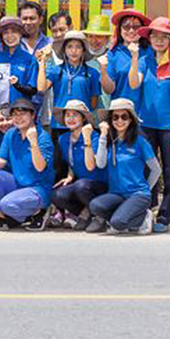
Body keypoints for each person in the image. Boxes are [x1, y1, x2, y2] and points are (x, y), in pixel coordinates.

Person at [129, 17, 170, 233]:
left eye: (165, 36)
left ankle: (165, 215)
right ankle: (147, 209)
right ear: (150, 38)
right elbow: (134, 83)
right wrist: (135, 58)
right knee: (146, 169)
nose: (160, 40)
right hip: (146, 125)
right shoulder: (145, 60)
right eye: (155, 36)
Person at [89, 98, 161, 235]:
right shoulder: (109, 141)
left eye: (124, 117)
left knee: (117, 223)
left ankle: (144, 216)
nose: (119, 121)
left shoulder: (140, 142)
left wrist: (145, 189)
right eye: (115, 117)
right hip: (117, 194)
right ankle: (128, 217)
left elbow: (156, 170)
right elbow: (100, 164)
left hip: (138, 194)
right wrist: (103, 136)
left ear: (131, 120)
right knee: (95, 206)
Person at [37, 30, 100, 183]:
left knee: (82, 163)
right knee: (59, 164)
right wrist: (42, 63)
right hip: (59, 124)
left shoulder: (91, 72)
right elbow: (41, 88)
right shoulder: (56, 70)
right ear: (64, 50)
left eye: (78, 47)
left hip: (83, 126)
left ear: (84, 50)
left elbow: (93, 101)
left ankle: (79, 201)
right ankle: (58, 201)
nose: (74, 50)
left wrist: (82, 116)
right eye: (70, 47)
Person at [0, 98, 54, 231]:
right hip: (18, 184)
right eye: (15, 114)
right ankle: (1, 218)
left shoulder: (42, 137)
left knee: (7, 204)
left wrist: (33, 142)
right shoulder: (11, 134)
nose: (18, 118)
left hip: (38, 188)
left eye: (22, 114)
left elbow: (40, 167)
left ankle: (40, 212)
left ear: (33, 115)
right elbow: (1, 159)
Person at [49, 100, 106, 231]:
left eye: (75, 115)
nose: (70, 118)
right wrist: (70, 175)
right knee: (55, 194)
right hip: (81, 183)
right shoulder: (64, 139)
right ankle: (84, 213)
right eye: (67, 115)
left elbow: (91, 166)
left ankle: (99, 215)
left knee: (81, 186)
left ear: (83, 118)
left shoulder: (94, 136)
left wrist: (87, 139)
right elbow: (71, 160)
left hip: (99, 184)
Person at [99, 8, 153, 109]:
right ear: (120, 30)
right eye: (126, 27)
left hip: (148, 113)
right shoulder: (113, 54)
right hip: (122, 115)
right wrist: (103, 70)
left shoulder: (150, 52)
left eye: (136, 27)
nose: (131, 31)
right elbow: (109, 90)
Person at [0, 16, 39, 102]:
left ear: (21, 34)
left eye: (14, 31)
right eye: (5, 33)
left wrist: (18, 86)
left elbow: (33, 90)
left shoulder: (30, 59)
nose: (10, 36)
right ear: (2, 36)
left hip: (19, 111)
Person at [83, 14, 113, 109]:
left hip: (109, 111)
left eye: (99, 36)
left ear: (106, 39)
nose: (94, 40)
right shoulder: (81, 58)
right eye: (90, 36)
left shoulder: (112, 58)